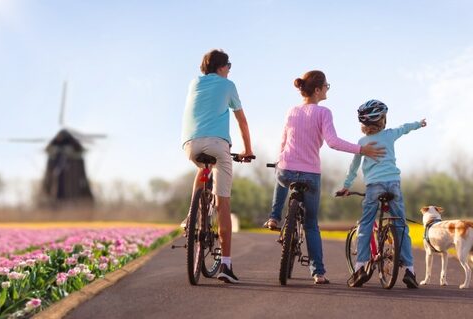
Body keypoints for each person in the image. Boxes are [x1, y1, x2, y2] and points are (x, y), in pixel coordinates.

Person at [264, 70, 386, 284]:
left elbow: (283, 141)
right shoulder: (324, 112)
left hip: (287, 171)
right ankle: (318, 273)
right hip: (310, 174)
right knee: (311, 224)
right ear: (318, 90)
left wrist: (280, 160)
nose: (328, 89)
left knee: (280, 173)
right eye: (326, 86)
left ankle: (274, 216)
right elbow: (333, 142)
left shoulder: (291, 111)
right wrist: (361, 149)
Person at [180, 49, 254, 284]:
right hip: (217, 144)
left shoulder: (194, 83)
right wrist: (247, 150)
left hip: (190, 145)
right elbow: (242, 120)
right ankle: (226, 265)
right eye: (229, 66)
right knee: (223, 203)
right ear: (222, 67)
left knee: (202, 168)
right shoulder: (228, 85)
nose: (229, 70)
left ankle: (191, 216)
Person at [336, 99, 426, 289]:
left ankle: (360, 268)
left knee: (366, 224)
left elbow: (354, 167)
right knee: (401, 225)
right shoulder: (390, 134)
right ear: (383, 120)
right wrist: (419, 124)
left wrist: (346, 186)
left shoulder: (362, 143)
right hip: (394, 184)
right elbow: (405, 128)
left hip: (374, 186)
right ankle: (410, 271)